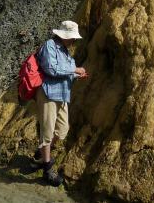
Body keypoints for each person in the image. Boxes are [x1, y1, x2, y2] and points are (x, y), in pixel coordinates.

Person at [32, 20, 88, 186]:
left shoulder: (65, 52)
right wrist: (74, 69)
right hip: (48, 94)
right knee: (47, 132)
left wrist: (77, 75)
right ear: (63, 35)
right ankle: (47, 170)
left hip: (62, 96)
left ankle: (41, 154)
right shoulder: (49, 46)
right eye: (71, 37)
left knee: (62, 131)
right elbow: (51, 69)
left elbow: (66, 73)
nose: (73, 41)